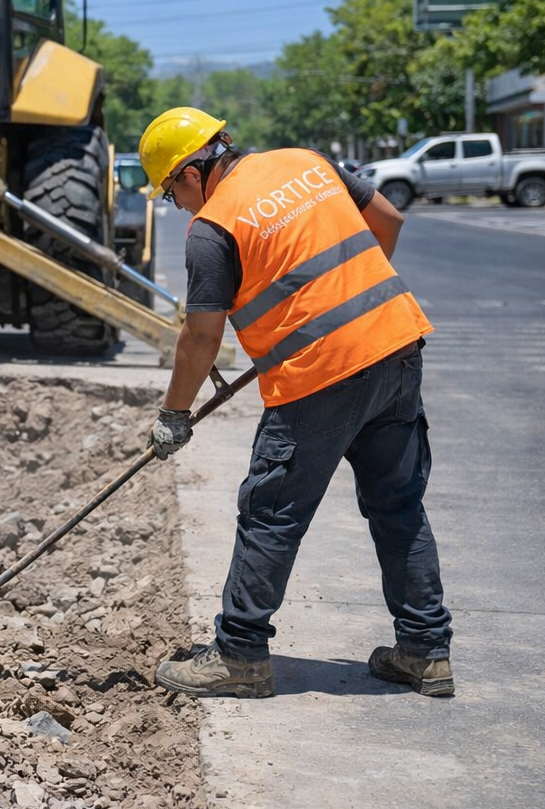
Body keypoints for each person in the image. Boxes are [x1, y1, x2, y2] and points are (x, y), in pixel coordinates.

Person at [138, 106, 453, 699]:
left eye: (170, 192)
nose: (177, 205)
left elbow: (201, 338)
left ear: (189, 172)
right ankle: (425, 652)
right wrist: (343, 310)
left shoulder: (213, 228)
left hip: (321, 377)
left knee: (271, 514)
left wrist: (173, 416)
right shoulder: (306, 162)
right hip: (395, 347)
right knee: (398, 505)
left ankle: (240, 656)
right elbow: (388, 222)